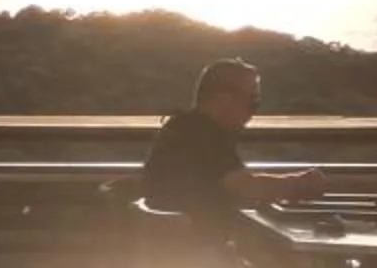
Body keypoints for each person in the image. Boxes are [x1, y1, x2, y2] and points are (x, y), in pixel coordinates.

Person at [138, 60, 328, 218]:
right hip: (201, 244)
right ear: (224, 98)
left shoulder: (182, 126)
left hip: (175, 238)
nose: (253, 111)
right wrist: (299, 185)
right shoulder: (203, 135)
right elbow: (247, 188)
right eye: (252, 102)